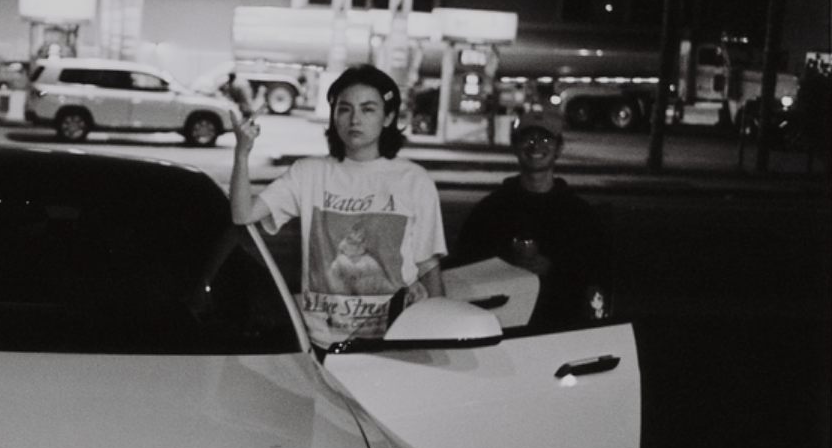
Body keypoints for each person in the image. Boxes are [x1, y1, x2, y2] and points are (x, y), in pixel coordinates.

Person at [230, 64, 447, 348]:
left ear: (388, 117)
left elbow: (428, 267)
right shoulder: (309, 173)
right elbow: (243, 213)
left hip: (394, 340)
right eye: (345, 109)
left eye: (368, 109)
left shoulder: (414, 180)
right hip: (322, 342)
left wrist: (440, 336)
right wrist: (242, 153)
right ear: (334, 116)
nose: (354, 119)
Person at [454, 108, 613, 329]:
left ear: (559, 148)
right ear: (514, 146)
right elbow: (464, 266)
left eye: (546, 139)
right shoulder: (491, 209)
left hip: (561, 327)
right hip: (503, 327)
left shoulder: (578, 213)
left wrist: (553, 268)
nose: (536, 146)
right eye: (527, 138)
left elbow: (599, 274)